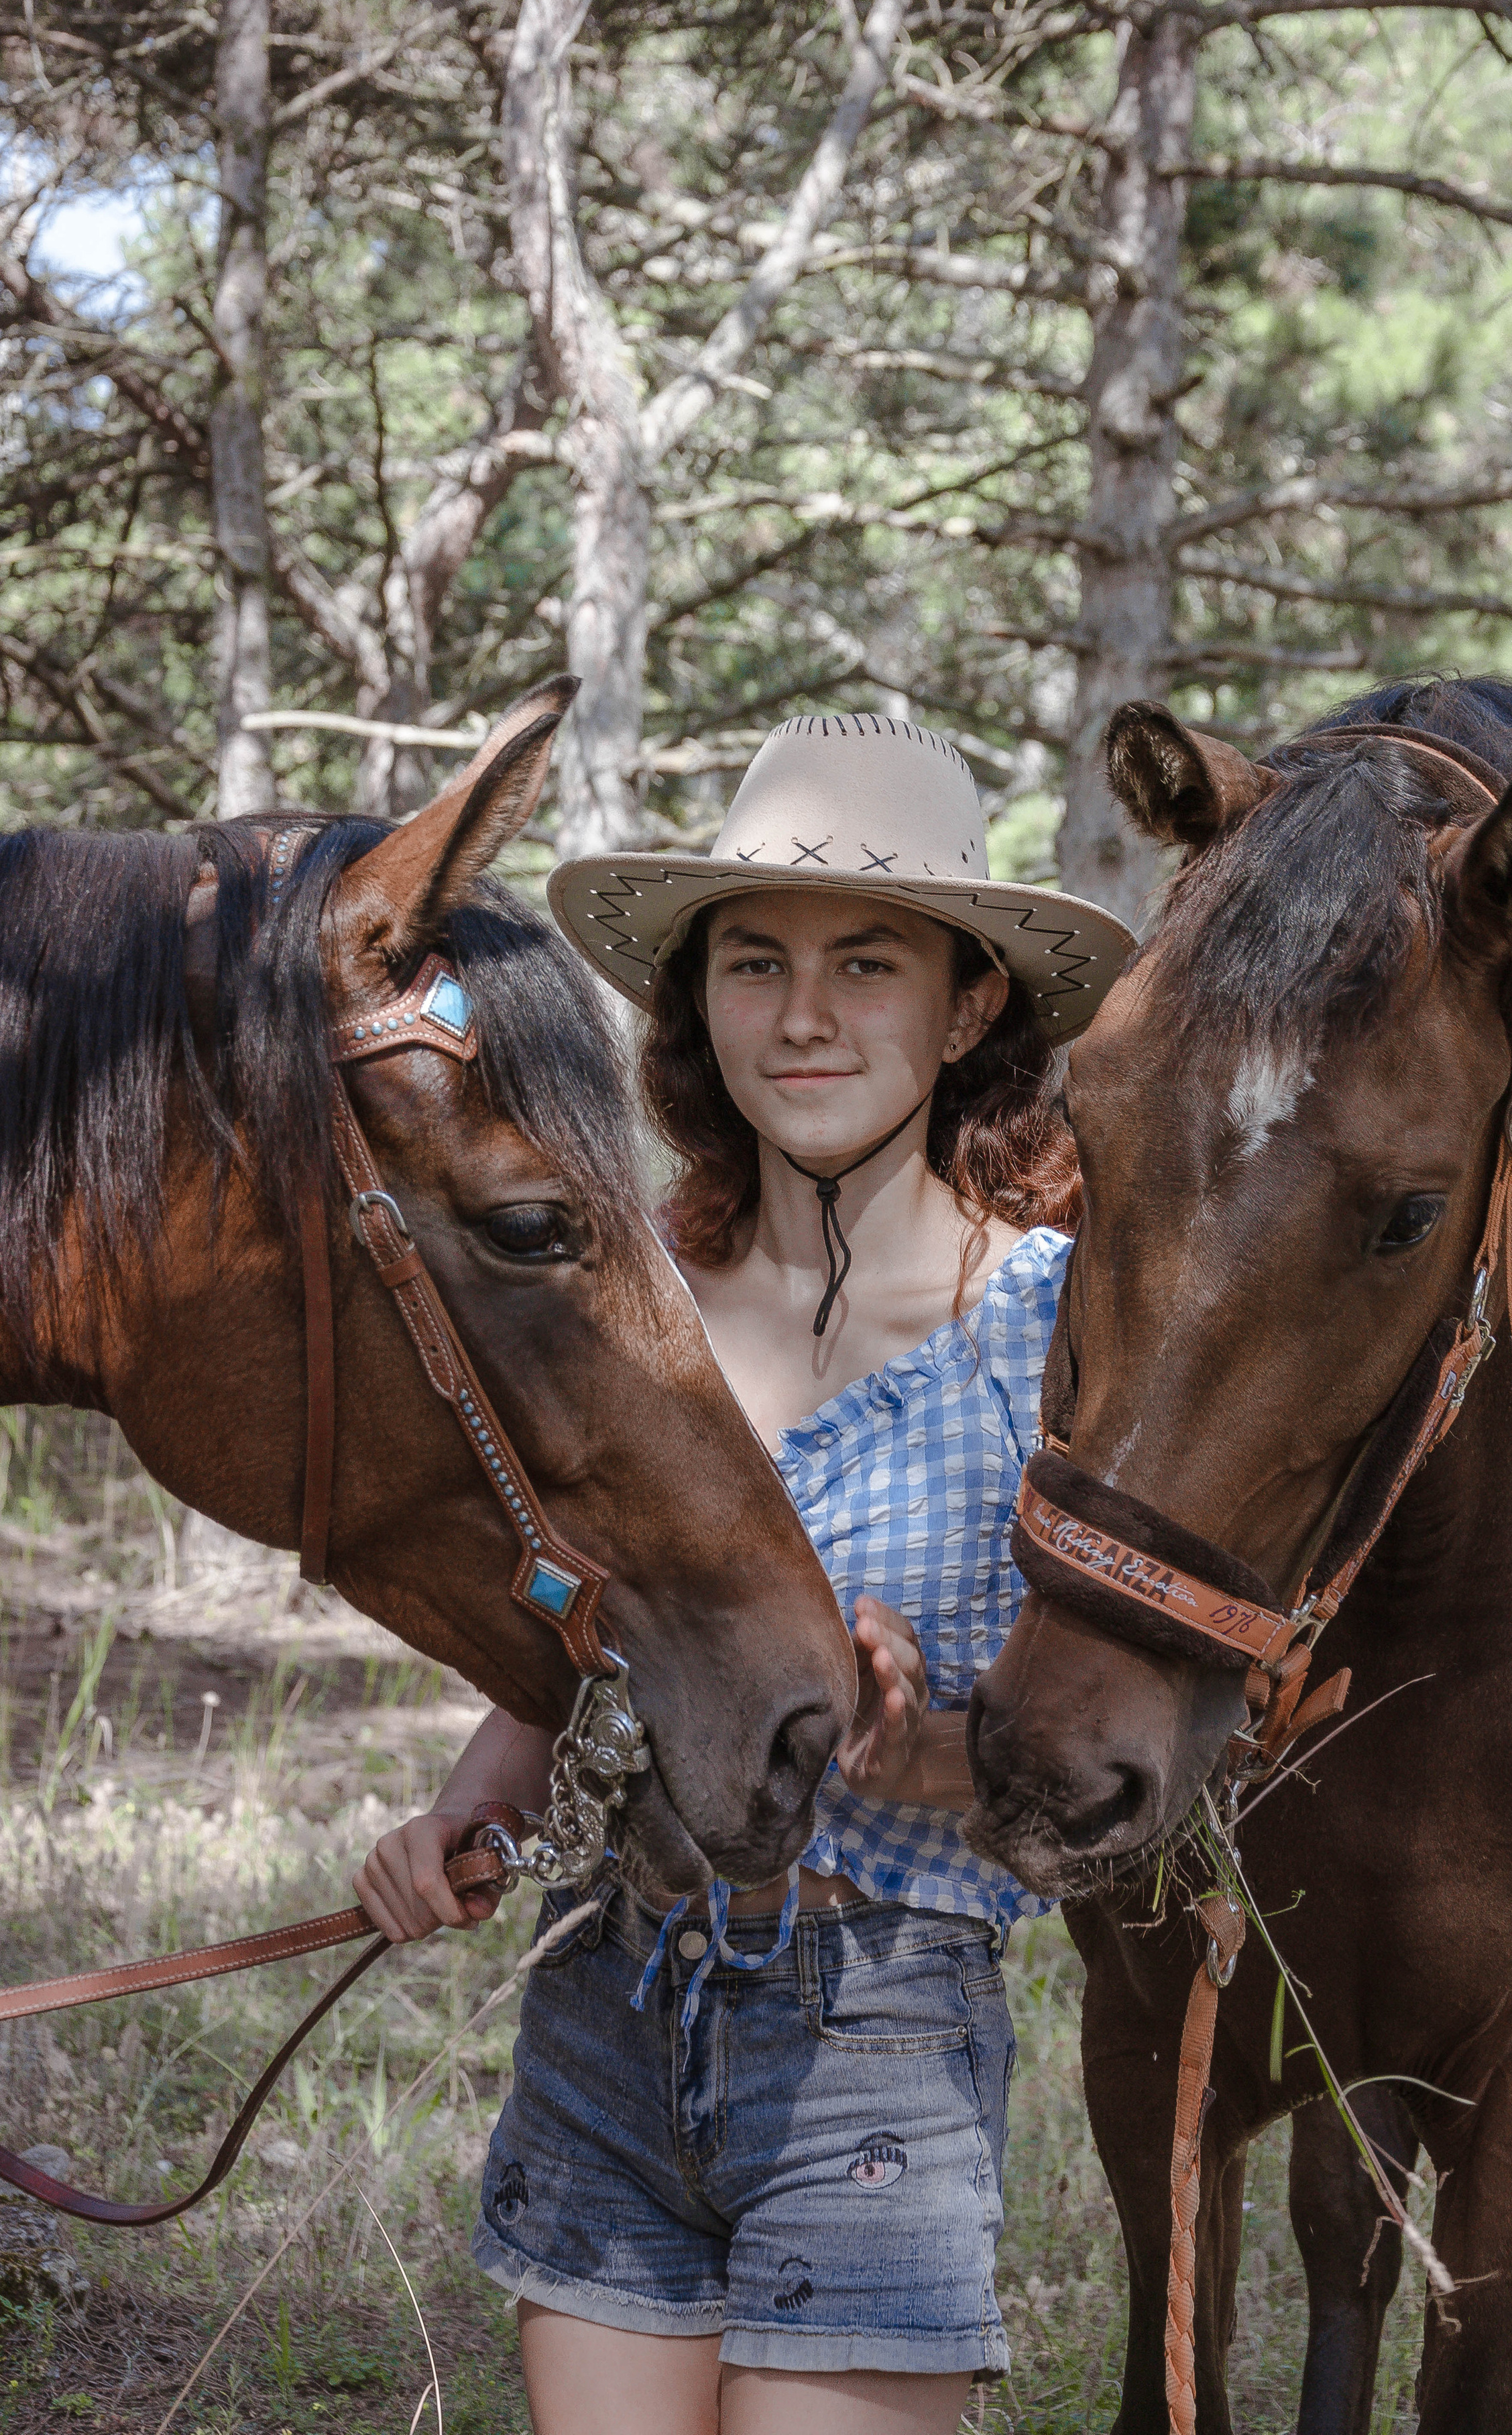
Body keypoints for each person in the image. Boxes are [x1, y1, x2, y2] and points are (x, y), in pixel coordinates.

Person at [355, 713, 1132, 2435]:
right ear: (696, 1003)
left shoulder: (1056, 1332)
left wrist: (919, 1746)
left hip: (876, 2030)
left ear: (970, 1004)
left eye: (868, 964)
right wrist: (464, 1813)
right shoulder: (628, 1307)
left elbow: (1103, 1768)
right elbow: (563, 1646)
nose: (801, 1017)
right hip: (605, 1998)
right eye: (754, 963)